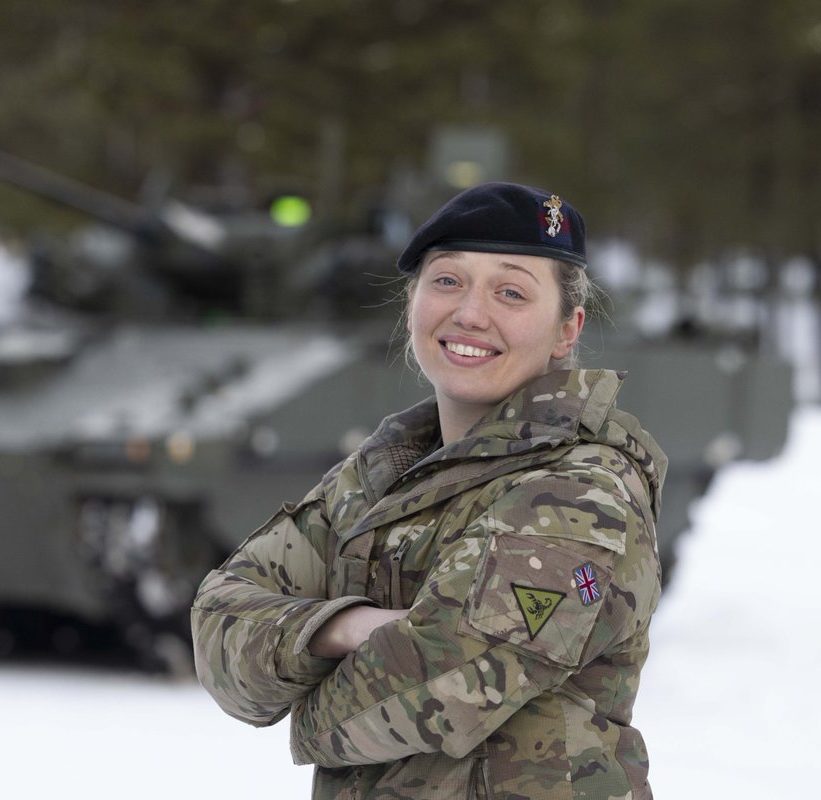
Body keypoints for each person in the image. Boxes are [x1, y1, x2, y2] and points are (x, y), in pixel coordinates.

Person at [191, 182, 666, 799]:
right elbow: (217, 620)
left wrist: (302, 710)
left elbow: (447, 685)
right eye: (446, 281)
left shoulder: (581, 493)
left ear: (566, 330)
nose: (470, 313)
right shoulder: (379, 474)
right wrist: (345, 626)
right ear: (411, 302)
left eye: (512, 292)